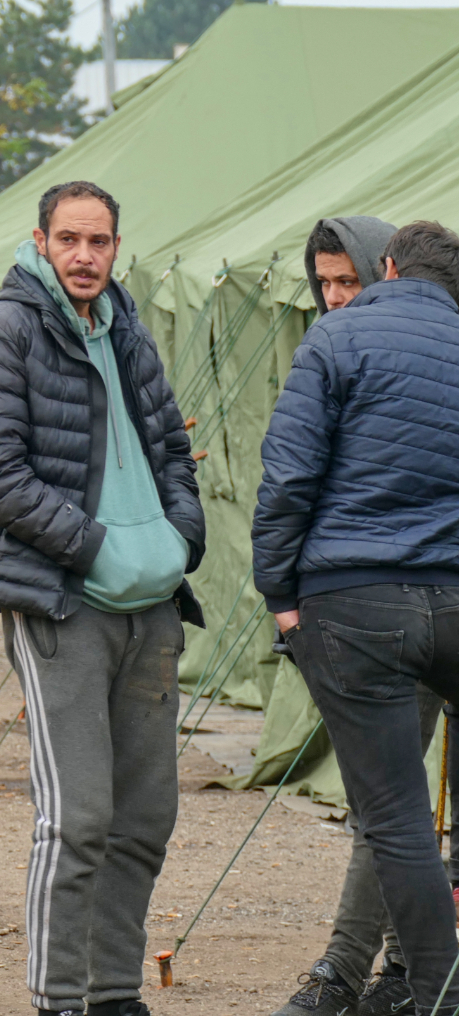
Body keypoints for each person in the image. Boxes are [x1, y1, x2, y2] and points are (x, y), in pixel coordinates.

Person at [0, 180, 205, 1016]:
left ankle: (114, 994)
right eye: (70, 240)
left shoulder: (130, 333)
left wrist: (179, 539)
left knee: (145, 818)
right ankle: (60, 1000)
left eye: (99, 242)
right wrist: (96, 549)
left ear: (116, 249)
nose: (85, 256)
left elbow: (173, 449)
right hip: (64, 603)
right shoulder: (2, 333)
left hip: (153, 605)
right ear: (41, 241)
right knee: (78, 818)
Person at [254, 220, 459, 1016]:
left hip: (357, 605)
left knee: (396, 820)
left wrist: (281, 598)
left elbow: (288, 479)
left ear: (388, 267)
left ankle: (436, 994)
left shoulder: (337, 342)